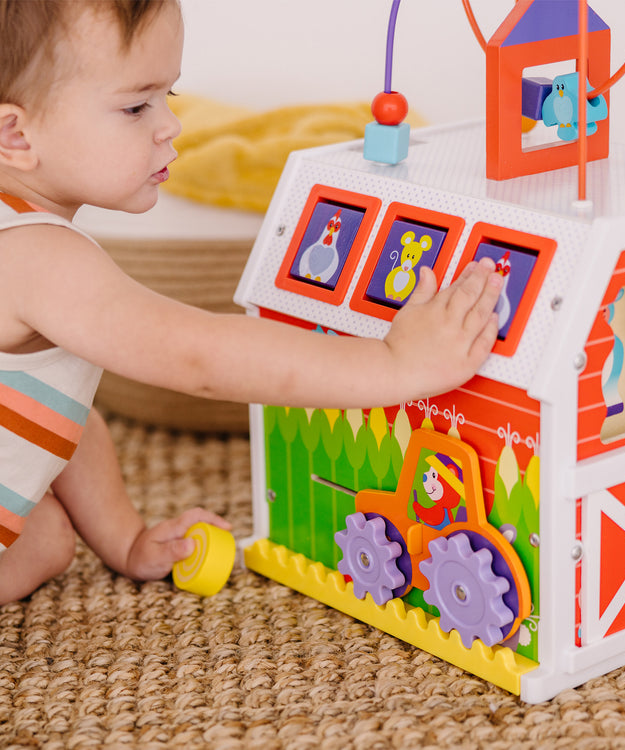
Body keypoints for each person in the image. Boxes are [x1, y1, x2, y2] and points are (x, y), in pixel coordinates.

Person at [0, 0, 501, 604]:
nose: (169, 126)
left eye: (169, 98)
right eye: (136, 106)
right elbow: (200, 359)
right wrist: (394, 363)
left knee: (49, 535)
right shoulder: (38, 258)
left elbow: (69, 416)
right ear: (16, 135)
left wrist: (127, 539)